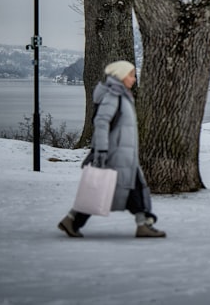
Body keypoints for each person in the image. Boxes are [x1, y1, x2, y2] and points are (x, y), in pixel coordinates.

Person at [58, 60, 166, 238]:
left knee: (128, 188)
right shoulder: (113, 96)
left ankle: (142, 223)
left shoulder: (121, 95)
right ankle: (73, 220)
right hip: (115, 156)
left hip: (124, 156)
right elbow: (101, 123)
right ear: (121, 75)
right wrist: (101, 152)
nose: (134, 78)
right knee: (103, 189)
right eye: (131, 75)